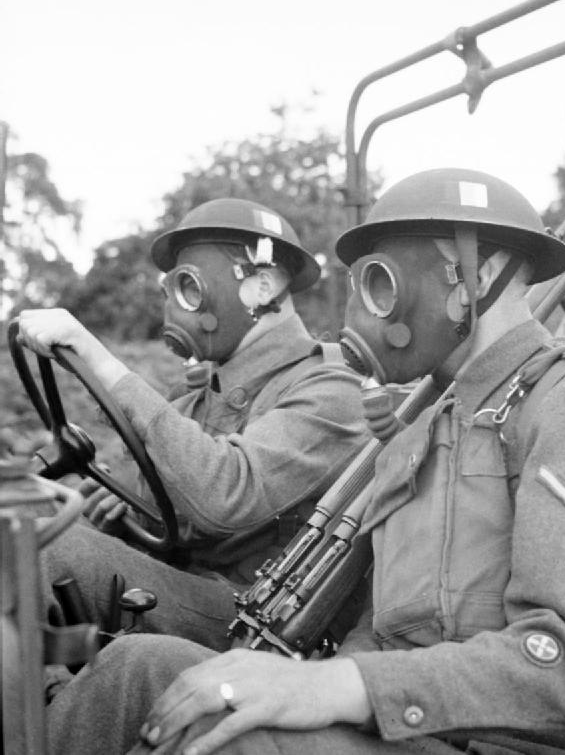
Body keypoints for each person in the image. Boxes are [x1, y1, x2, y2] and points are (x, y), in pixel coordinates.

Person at [45, 169, 565, 755]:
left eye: (381, 282)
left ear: (477, 274)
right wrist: (311, 680)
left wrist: (335, 686)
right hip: (444, 727)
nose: (364, 312)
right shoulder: (432, 424)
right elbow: (390, 624)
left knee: (232, 739)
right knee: (141, 666)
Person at [17, 197, 368, 653]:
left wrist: (100, 361)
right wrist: (125, 508)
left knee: (38, 549)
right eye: (172, 291)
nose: (178, 309)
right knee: (26, 515)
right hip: (186, 583)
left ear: (262, 286)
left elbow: (228, 493)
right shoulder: (194, 404)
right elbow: (166, 507)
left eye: (191, 288)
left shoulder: (332, 390)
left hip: (255, 619)